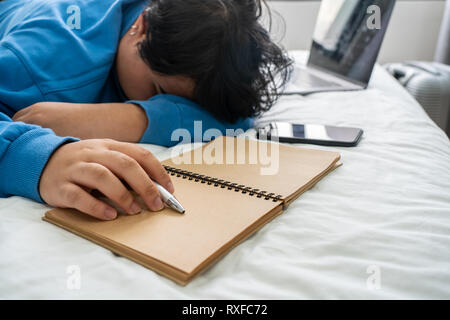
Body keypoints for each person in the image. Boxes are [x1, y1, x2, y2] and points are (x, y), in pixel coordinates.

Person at [0, 0, 292, 220]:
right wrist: (35, 158)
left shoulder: (195, 36)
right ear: (141, 27)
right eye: (157, 92)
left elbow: (236, 118)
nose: (158, 102)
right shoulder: (43, 64)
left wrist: (134, 119)